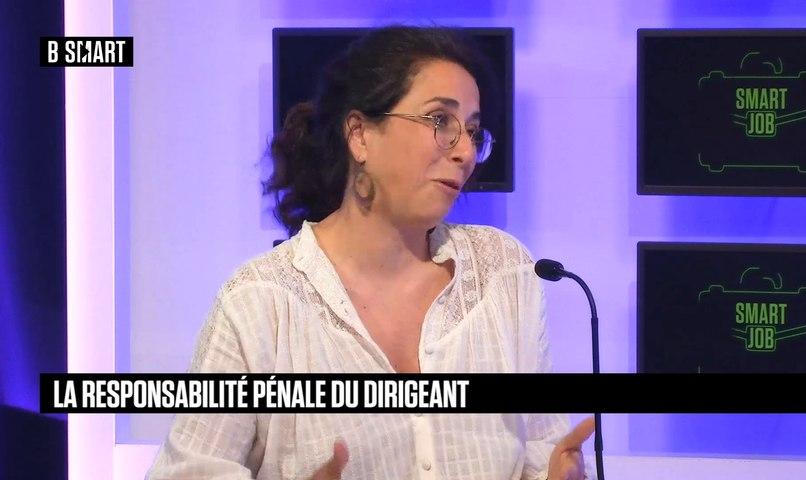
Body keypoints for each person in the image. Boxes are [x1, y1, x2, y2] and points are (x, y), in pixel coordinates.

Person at [147, 25, 594, 480]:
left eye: (474, 132)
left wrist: (556, 474)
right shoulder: (259, 303)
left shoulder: (505, 273)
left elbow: (542, 451)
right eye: (440, 121)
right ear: (360, 136)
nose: (465, 151)